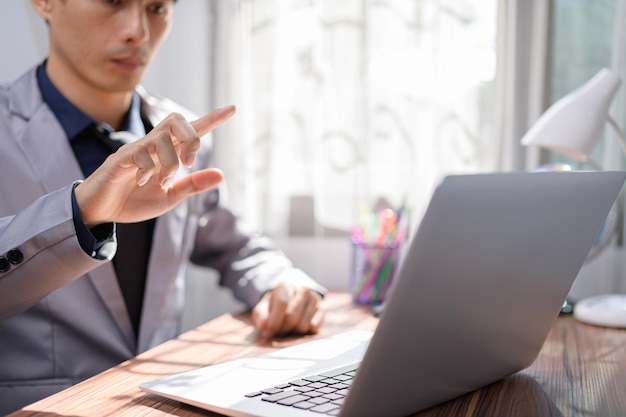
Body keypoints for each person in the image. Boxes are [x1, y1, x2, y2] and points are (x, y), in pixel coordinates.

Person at [0, 0, 327, 413]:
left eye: (157, 7)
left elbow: (237, 246)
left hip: (160, 404)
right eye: (114, 1)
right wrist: (79, 214)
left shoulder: (182, 135)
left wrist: (282, 283)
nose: (139, 31)